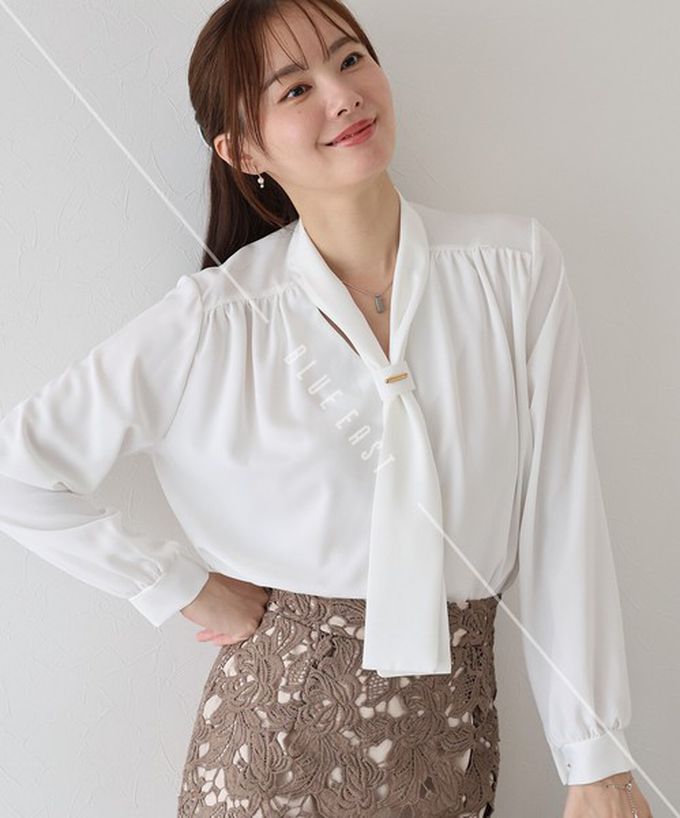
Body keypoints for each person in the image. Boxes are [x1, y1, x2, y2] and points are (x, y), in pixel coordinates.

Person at [0, 0, 652, 816]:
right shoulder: (215, 318)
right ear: (242, 150)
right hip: (271, 747)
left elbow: (563, 517)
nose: (342, 95)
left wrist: (597, 760)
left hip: (455, 740)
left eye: (349, 60)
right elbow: (17, 472)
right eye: (295, 89)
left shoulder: (512, 270)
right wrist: (177, 584)